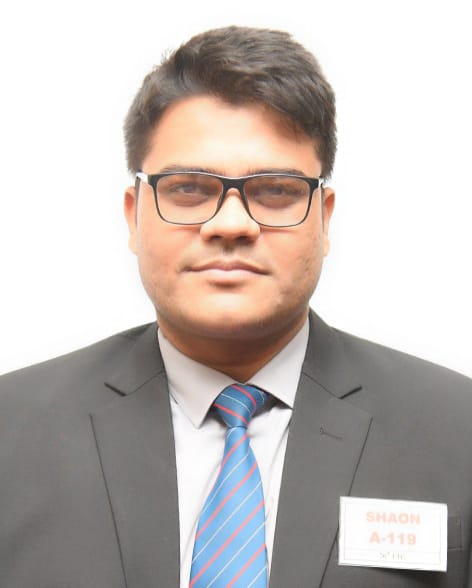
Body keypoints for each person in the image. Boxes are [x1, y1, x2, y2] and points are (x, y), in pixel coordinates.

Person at [0, 25, 471, 588]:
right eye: (188, 189)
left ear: (324, 218)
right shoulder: (11, 433)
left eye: (275, 191)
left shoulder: (457, 431)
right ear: (134, 214)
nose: (230, 224)